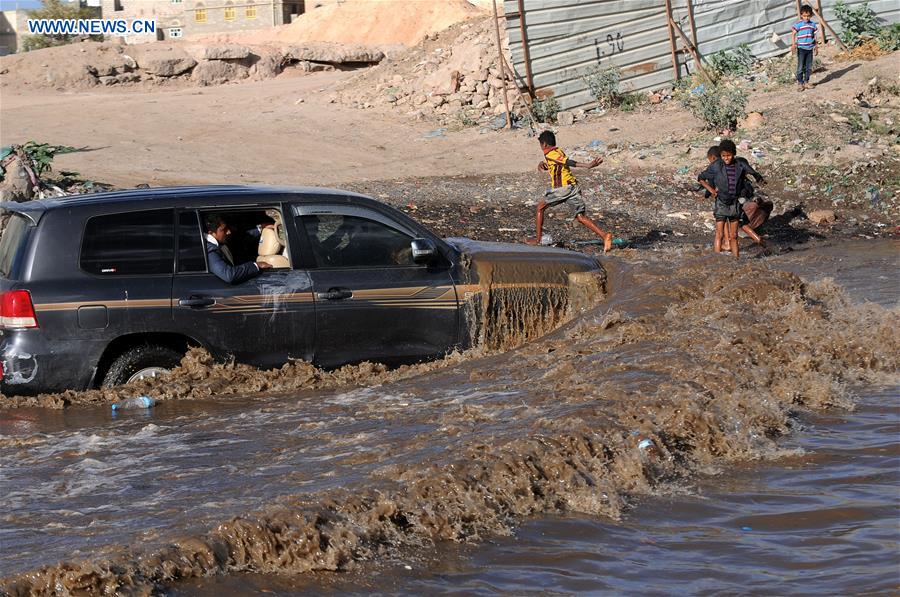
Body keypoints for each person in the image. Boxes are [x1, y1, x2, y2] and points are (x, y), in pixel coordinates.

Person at [527, 130, 613, 251]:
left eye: (540, 144)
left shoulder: (551, 154)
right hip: (573, 187)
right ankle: (605, 236)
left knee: (540, 207)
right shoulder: (557, 151)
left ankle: (538, 240)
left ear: (544, 145)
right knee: (580, 217)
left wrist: (588, 165)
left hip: (563, 189)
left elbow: (569, 162)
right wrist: (544, 164)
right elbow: (557, 164)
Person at [697, 140, 764, 258]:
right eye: (723, 156)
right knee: (719, 233)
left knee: (734, 235)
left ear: (733, 154)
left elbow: (751, 171)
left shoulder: (740, 164)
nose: (726, 158)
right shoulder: (717, 165)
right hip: (722, 203)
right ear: (720, 155)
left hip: (735, 203)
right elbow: (701, 178)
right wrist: (711, 191)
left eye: (728, 155)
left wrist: (758, 177)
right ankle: (717, 259)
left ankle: (736, 260)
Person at [204, 213, 271, 284]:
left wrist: (260, 228)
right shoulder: (209, 251)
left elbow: (239, 238)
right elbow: (229, 275)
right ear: (211, 233)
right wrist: (256, 265)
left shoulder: (219, 241)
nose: (228, 232)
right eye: (224, 229)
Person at [792, 4, 820, 91]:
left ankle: (806, 82)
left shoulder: (813, 25)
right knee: (800, 66)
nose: (806, 18)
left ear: (811, 15)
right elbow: (793, 33)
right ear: (801, 15)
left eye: (808, 16)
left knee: (808, 67)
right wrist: (793, 45)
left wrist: (816, 46)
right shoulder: (798, 24)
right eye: (804, 16)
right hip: (801, 48)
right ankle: (800, 83)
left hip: (810, 48)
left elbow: (814, 36)